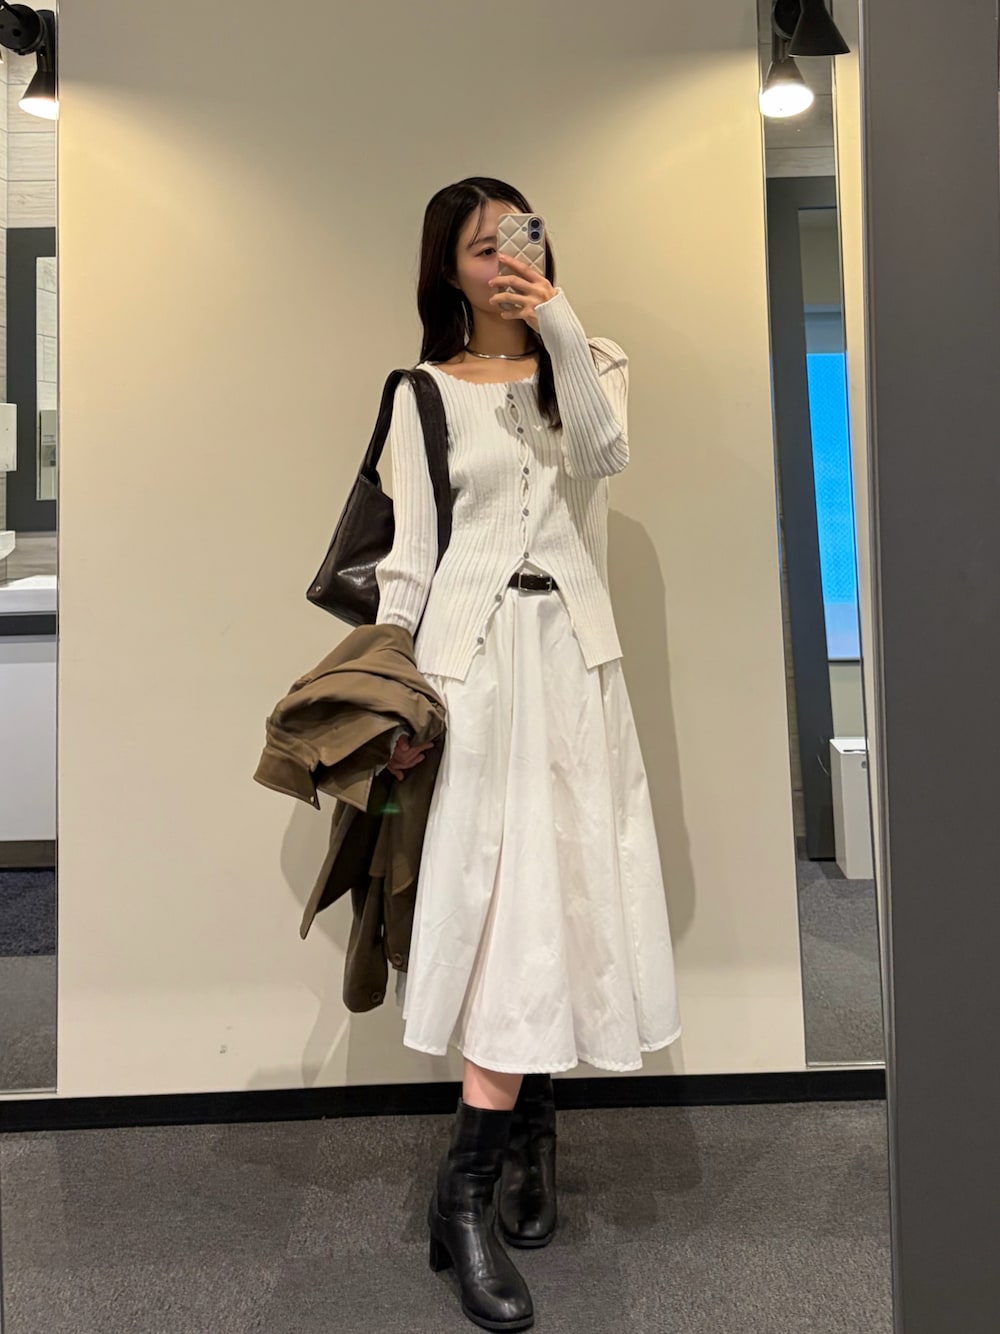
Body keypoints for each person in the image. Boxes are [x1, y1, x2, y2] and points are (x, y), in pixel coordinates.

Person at [373, 176, 681, 1332]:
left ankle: (530, 1136)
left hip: (573, 658)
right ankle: (463, 1195)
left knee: (563, 883)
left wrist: (555, 315)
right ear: (446, 269)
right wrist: (398, 693)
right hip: (474, 666)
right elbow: (409, 560)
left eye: (520, 235)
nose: (503, 257)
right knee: (500, 900)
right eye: (480, 246)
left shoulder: (587, 359)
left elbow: (604, 454)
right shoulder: (419, 392)